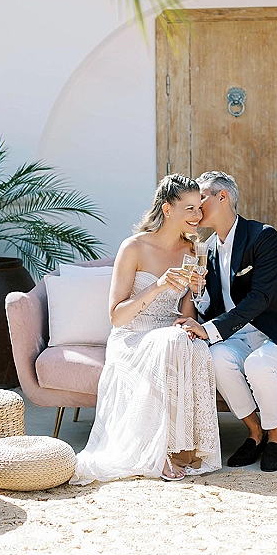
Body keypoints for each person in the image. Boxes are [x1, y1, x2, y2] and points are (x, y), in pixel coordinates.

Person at [70, 174, 221, 485]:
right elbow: (116, 316)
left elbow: (184, 315)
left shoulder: (192, 250)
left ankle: (186, 448)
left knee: (191, 343)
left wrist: (194, 292)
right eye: (189, 209)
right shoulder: (134, 247)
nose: (197, 216)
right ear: (167, 209)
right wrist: (158, 286)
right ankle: (158, 453)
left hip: (169, 334)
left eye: (198, 208)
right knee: (173, 342)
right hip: (132, 336)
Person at [177, 171, 277, 472]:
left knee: (258, 365)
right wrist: (198, 292)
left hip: (276, 335)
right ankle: (255, 433)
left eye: (201, 197)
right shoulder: (211, 249)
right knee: (214, 357)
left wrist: (208, 330)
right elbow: (214, 306)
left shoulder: (263, 236)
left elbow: (261, 299)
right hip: (239, 337)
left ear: (223, 196)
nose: (196, 205)